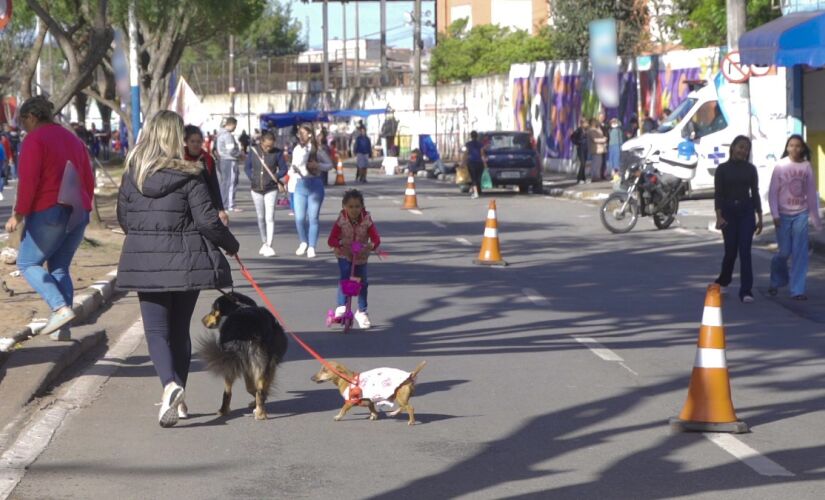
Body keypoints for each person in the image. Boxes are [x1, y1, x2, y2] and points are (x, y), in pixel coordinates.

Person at [116, 110, 239, 428]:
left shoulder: (133, 175)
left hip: (146, 262)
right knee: (179, 330)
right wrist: (231, 244)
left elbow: (124, 219)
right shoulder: (190, 175)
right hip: (186, 263)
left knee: (156, 332)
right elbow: (207, 221)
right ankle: (179, 397)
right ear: (176, 139)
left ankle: (170, 387)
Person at [3, 96, 95, 340]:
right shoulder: (72, 139)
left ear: (32, 117)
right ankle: (62, 329)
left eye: (23, 120)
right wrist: (87, 205)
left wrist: (18, 215)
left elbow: (29, 182)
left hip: (49, 210)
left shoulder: (35, 139)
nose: (22, 126)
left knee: (26, 263)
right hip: (78, 211)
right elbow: (88, 177)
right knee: (59, 267)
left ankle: (60, 308)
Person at [768, 135, 822, 300]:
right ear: (787, 147)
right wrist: (775, 214)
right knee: (784, 252)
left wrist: (816, 220)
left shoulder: (806, 167)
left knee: (800, 253)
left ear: (803, 148)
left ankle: (797, 290)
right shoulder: (780, 166)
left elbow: (811, 194)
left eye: (798, 146)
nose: (794, 149)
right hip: (783, 215)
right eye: (791, 145)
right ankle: (777, 280)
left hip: (801, 214)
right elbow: (772, 193)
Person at [713, 135, 763, 303]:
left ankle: (746, 291)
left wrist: (760, 216)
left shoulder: (751, 169)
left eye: (746, 149)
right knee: (731, 251)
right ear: (733, 147)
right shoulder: (722, 169)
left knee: (745, 251)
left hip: (746, 211)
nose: (743, 151)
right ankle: (723, 281)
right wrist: (719, 216)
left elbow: (754, 192)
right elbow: (718, 195)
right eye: (740, 147)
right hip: (728, 212)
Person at [327, 189, 381, 330]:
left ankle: (362, 311)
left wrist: (372, 245)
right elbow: (331, 239)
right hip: (344, 253)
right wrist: (337, 246)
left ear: (362, 207)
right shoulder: (341, 220)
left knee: (362, 282)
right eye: (350, 207)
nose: (354, 210)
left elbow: (376, 237)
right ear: (344, 207)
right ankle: (341, 305)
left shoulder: (367, 220)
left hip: (361, 256)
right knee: (346, 275)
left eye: (357, 206)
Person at [245, 131, 287, 257]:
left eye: (271, 146)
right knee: (260, 217)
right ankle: (264, 242)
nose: (269, 148)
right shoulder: (253, 151)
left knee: (270, 217)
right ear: (261, 142)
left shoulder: (277, 153)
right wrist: (252, 177)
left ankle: (269, 244)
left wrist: (277, 175)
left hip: (271, 188)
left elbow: (284, 169)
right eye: (266, 146)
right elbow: (247, 167)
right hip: (256, 188)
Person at [290, 123, 325, 258]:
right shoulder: (297, 149)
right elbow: (293, 166)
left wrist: (318, 165)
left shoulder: (316, 149)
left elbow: (329, 165)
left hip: (315, 184)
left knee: (313, 217)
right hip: (300, 184)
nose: (301, 136)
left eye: (304, 133)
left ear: (310, 134)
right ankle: (303, 242)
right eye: (299, 133)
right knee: (299, 218)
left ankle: (311, 246)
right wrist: (290, 174)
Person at [183, 125, 228, 226]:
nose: (196, 144)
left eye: (199, 142)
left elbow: (214, 185)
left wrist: (221, 209)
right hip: (184, 205)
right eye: (192, 141)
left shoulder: (208, 159)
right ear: (186, 142)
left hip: (204, 204)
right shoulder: (180, 158)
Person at [217, 117, 243, 212]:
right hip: (229, 160)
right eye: (235, 126)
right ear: (231, 125)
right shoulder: (227, 135)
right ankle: (229, 205)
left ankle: (225, 204)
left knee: (225, 182)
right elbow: (231, 150)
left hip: (223, 159)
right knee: (231, 182)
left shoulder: (220, 134)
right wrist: (239, 154)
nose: (235, 128)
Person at [464, 130, 486, 199]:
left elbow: (466, 153)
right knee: (478, 178)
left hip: (471, 162)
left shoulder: (468, 144)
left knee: (473, 179)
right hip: (479, 163)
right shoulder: (480, 144)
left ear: (471, 136)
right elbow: (482, 154)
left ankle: (476, 193)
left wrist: (463, 162)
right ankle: (478, 191)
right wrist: (485, 163)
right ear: (477, 136)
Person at [570, 118, 589, 184]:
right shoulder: (578, 130)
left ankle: (583, 178)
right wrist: (577, 143)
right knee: (582, 163)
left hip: (586, 148)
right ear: (582, 123)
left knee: (584, 163)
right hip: (580, 148)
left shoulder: (587, 130)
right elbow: (572, 137)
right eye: (585, 123)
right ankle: (579, 178)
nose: (587, 124)